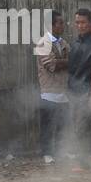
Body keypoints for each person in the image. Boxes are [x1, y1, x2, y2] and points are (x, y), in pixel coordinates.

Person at [32, 12, 70, 165]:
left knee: (63, 125)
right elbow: (52, 66)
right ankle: (47, 153)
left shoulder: (63, 43)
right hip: (48, 93)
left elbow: (70, 60)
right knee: (48, 126)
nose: (63, 25)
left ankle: (61, 151)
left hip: (63, 91)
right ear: (51, 25)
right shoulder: (42, 43)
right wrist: (68, 61)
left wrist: (64, 61)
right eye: (60, 23)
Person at [67, 8, 91, 164]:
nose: (80, 26)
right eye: (77, 23)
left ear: (90, 23)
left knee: (82, 127)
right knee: (79, 127)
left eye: (83, 22)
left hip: (88, 91)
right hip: (74, 91)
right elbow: (72, 68)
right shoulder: (75, 43)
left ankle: (89, 159)